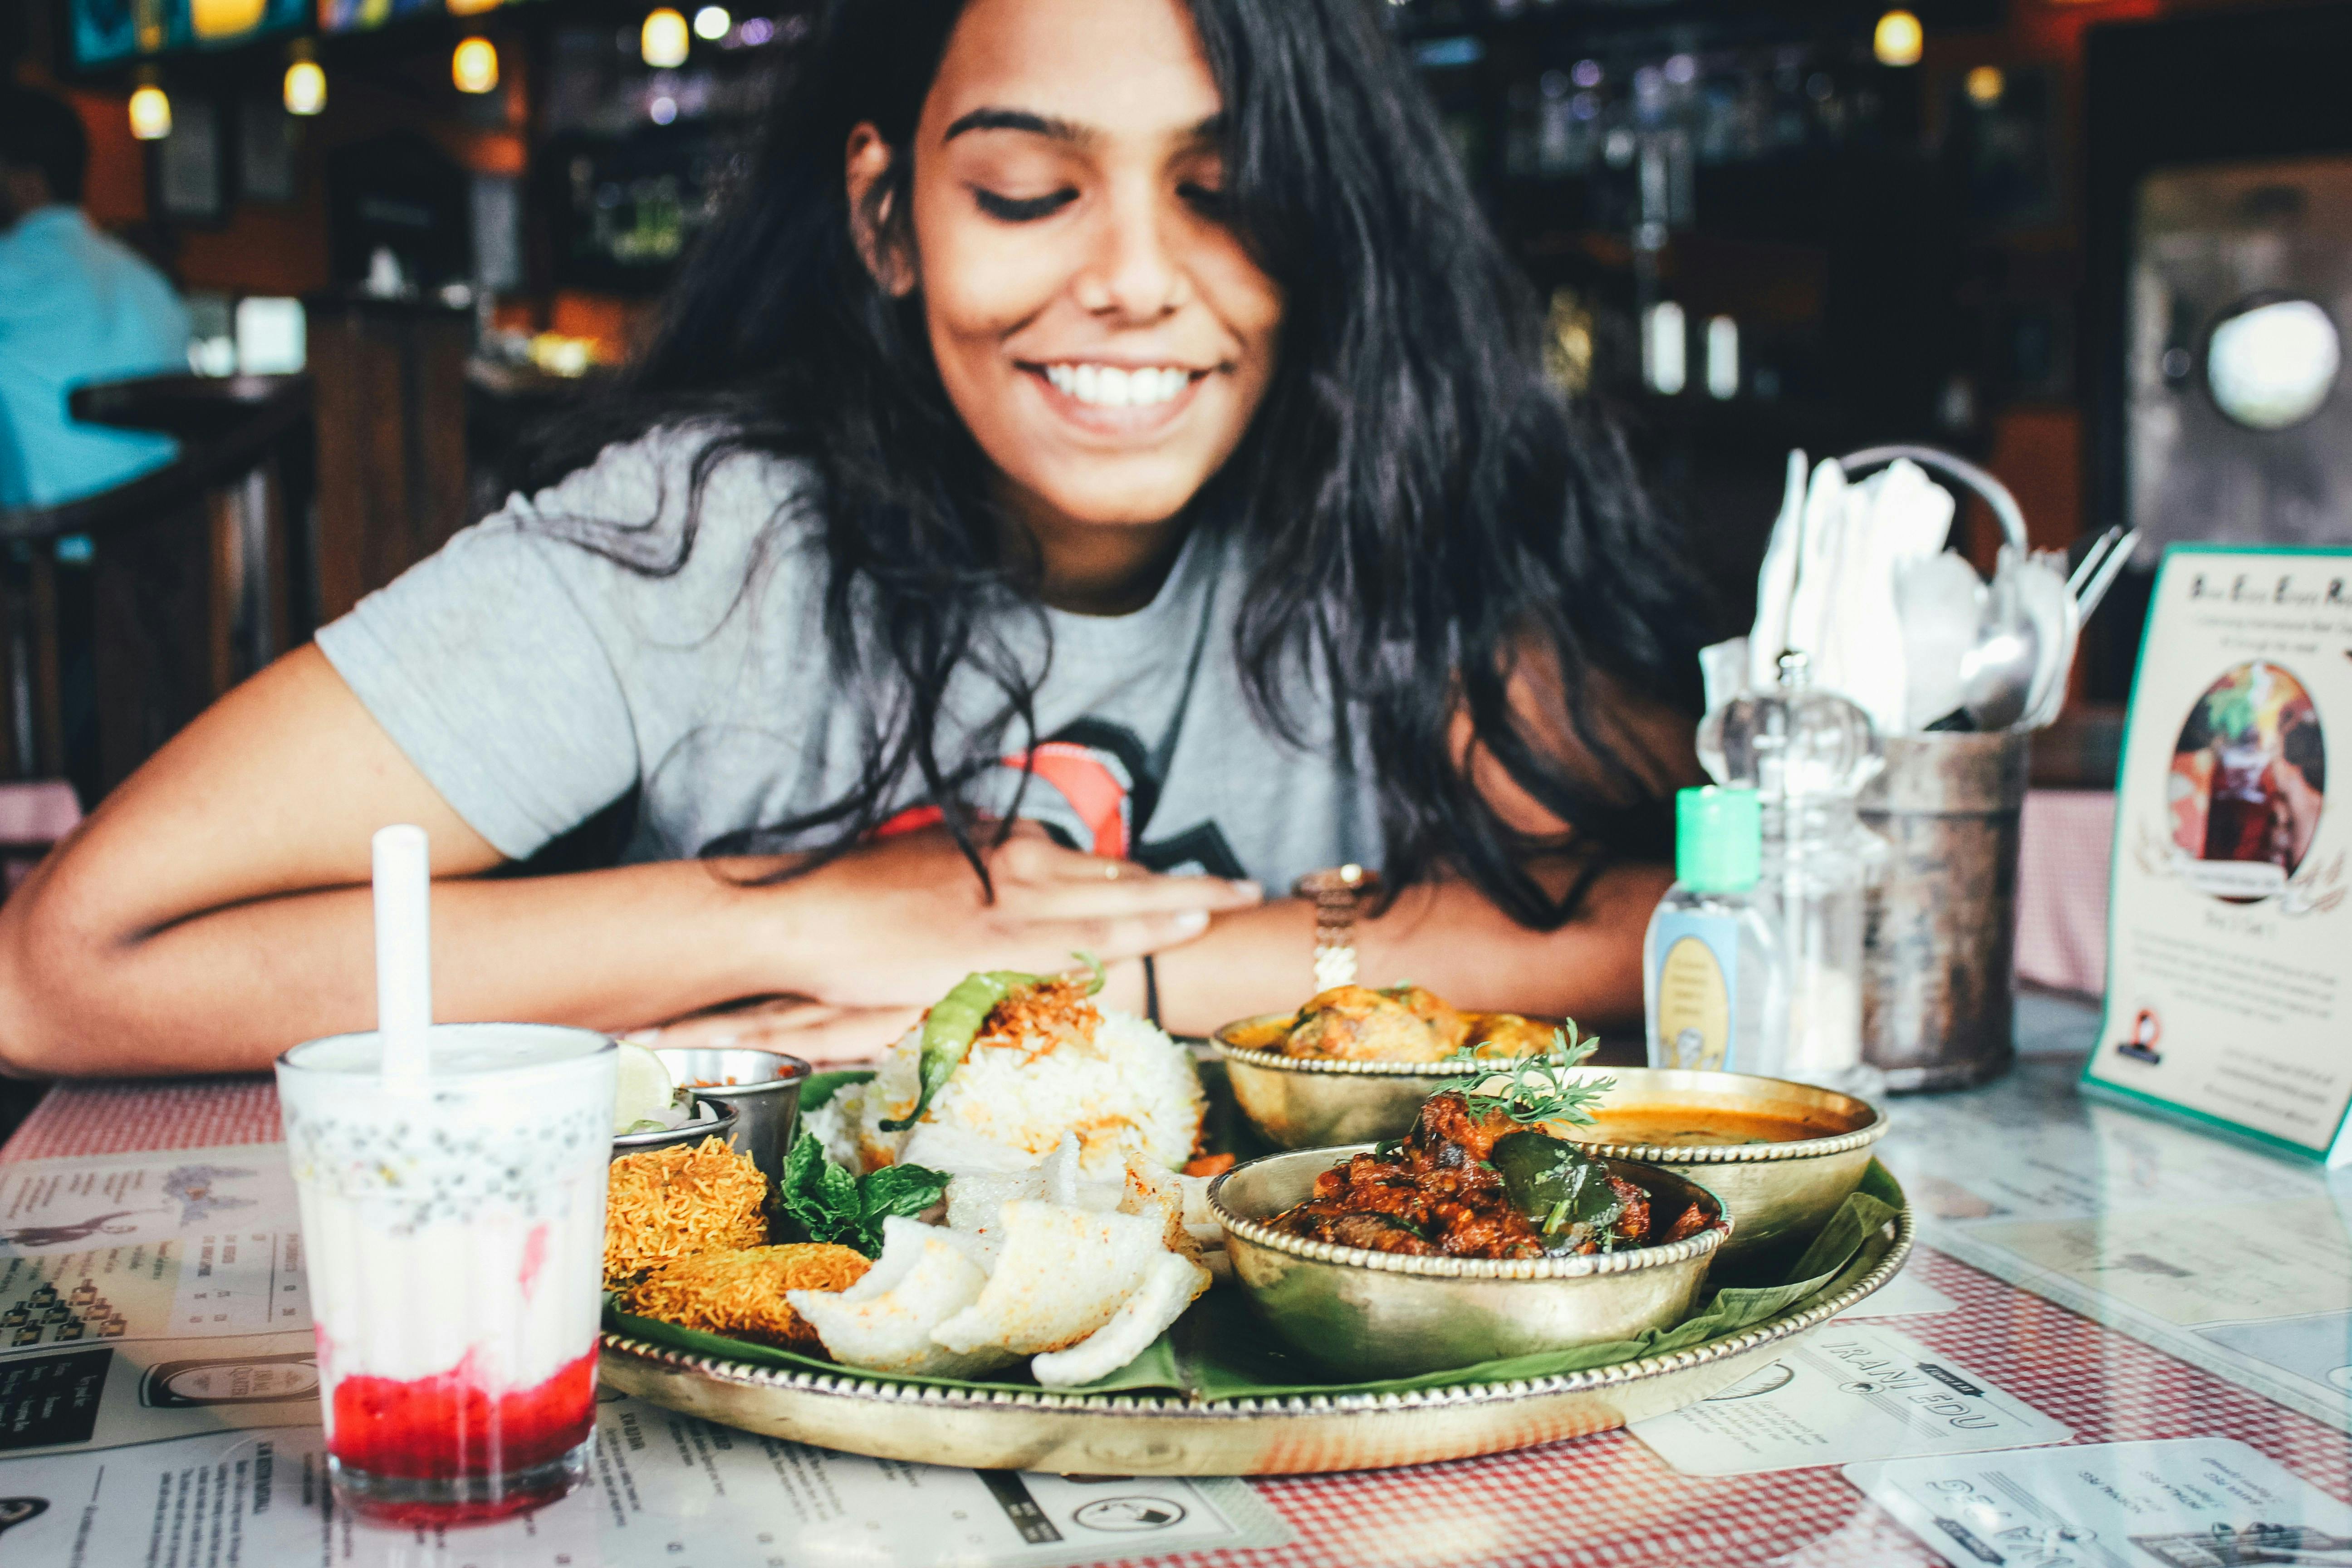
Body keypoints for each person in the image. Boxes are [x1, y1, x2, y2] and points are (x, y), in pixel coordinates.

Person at [0, 0, 1709, 1077]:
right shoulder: (697, 538)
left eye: (1224, 187)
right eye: (1029, 189)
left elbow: (1699, 896)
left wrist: (1110, 975)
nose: (1130, 275)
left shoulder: (1387, 496)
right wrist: (802, 911)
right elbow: (67, 971)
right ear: (889, 217)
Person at [0, 86, 190, 511]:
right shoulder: (149, 283)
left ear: (25, 181)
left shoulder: (8, 273)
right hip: (171, 552)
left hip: (51, 558)